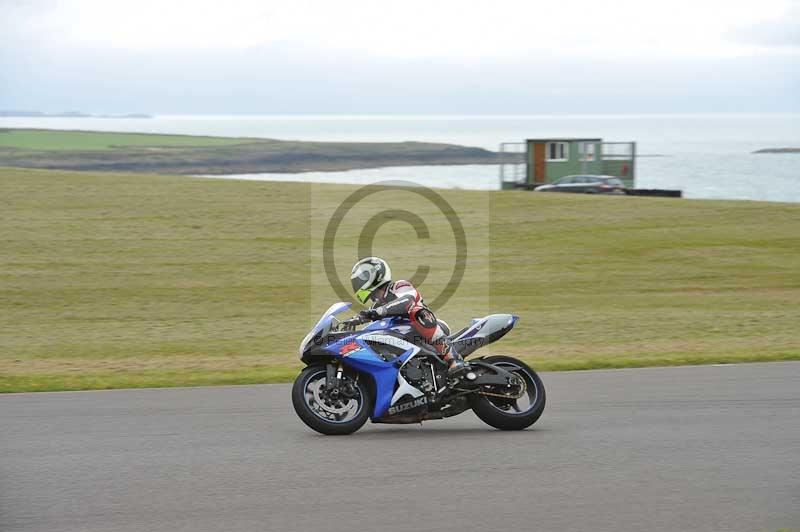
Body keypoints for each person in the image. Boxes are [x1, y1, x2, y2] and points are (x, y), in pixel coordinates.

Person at [349, 256, 468, 375]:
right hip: (404, 338)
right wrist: (355, 320)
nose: (359, 284)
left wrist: (379, 312)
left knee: (417, 313)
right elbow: (372, 320)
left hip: (427, 329)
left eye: (361, 279)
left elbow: (407, 301)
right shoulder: (376, 307)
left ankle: (454, 358)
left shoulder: (399, 286)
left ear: (375, 276)